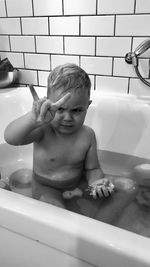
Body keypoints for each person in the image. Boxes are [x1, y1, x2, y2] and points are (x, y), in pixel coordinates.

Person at [4, 63, 138, 223]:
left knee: (129, 187)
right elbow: (11, 138)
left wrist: (96, 181)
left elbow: (92, 168)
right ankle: (82, 230)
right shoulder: (43, 130)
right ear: (48, 104)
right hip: (47, 187)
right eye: (60, 109)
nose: (67, 117)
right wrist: (33, 119)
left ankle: (99, 226)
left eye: (76, 110)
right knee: (57, 216)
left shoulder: (87, 135)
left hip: (78, 182)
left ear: (87, 107)